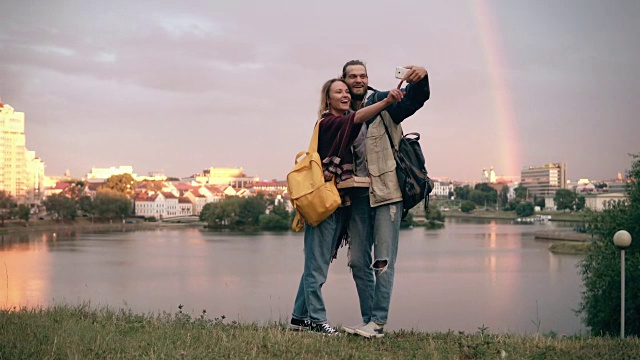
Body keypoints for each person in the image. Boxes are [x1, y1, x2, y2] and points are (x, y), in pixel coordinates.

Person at [290, 78, 403, 335]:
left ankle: (299, 317)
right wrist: (386, 101)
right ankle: (317, 321)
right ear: (327, 99)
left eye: (346, 92)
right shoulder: (330, 122)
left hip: (337, 203)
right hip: (324, 203)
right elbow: (356, 119)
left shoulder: (344, 122)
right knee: (316, 268)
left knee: (315, 264)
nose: (344, 95)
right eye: (338, 92)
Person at [340, 60, 431, 338]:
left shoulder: (385, 101)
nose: (358, 79)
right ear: (343, 80)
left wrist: (422, 79)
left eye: (362, 75)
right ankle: (368, 320)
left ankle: (377, 323)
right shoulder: (341, 113)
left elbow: (415, 101)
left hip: (388, 193)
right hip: (357, 195)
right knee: (357, 261)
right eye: (352, 76)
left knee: (382, 261)